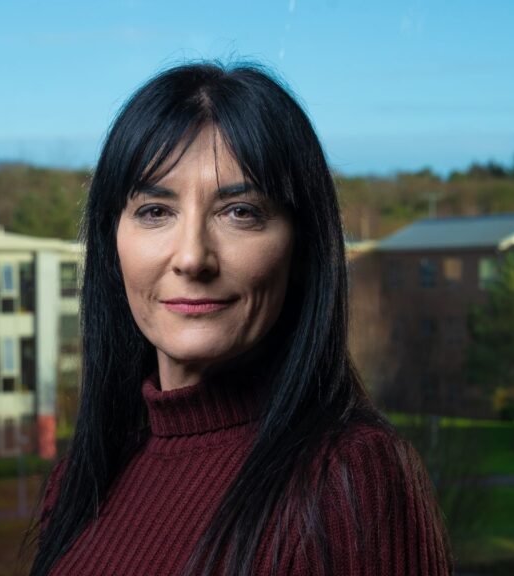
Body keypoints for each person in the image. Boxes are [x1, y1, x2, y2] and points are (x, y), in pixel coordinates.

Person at [24, 62, 452, 576]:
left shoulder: (349, 480)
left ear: (302, 250)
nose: (192, 258)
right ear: (112, 244)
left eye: (240, 212)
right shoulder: (82, 481)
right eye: (155, 211)